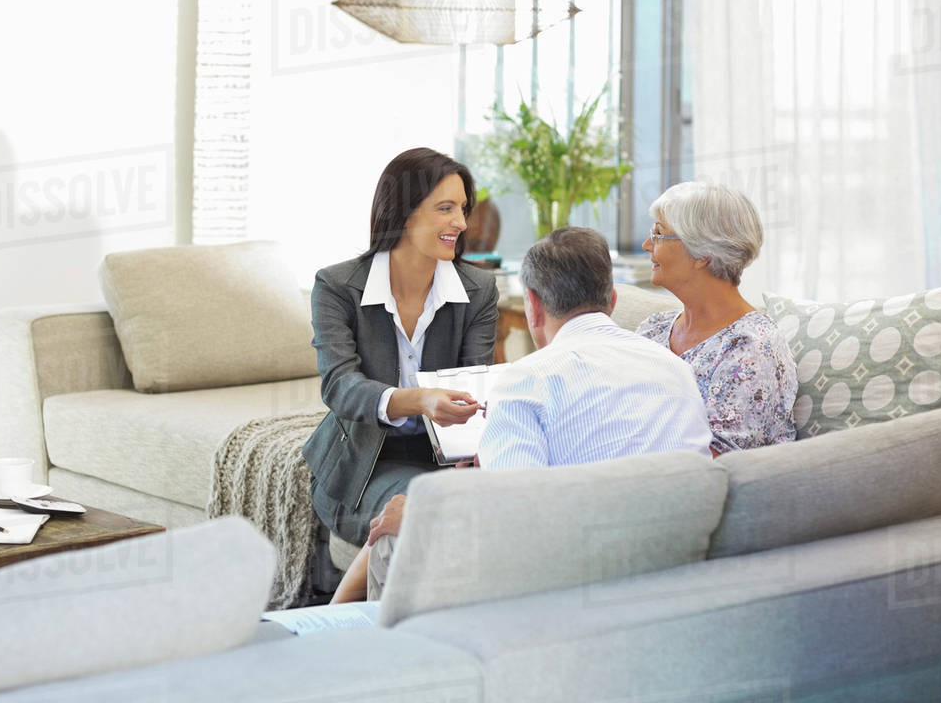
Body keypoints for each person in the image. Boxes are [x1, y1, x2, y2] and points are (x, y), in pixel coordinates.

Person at [361, 227, 714, 598]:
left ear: (533, 304)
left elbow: (518, 526)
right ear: (611, 300)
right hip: (680, 573)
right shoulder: (675, 367)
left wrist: (425, 514)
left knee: (395, 530)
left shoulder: (526, 380)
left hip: (578, 583)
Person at [302, 147, 499, 604]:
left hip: (448, 461)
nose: (462, 223)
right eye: (445, 208)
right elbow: (339, 386)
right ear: (404, 214)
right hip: (364, 465)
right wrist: (420, 399)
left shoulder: (479, 290)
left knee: (461, 504)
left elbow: (473, 385)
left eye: (463, 209)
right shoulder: (337, 287)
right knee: (425, 506)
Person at [636, 182, 797, 455]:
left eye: (659, 234)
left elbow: (715, 462)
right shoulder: (653, 329)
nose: (646, 245)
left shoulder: (751, 347)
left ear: (702, 254)